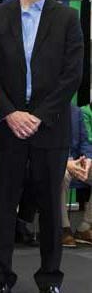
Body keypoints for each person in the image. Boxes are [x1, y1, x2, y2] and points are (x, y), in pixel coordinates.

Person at [0, 0, 84, 293]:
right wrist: (10, 112)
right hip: (6, 128)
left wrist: (37, 115)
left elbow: (73, 74)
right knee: (3, 207)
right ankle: (1, 279)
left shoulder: (68, 18)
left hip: (50, 129)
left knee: (52, 212)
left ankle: (50, 281)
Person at [60, 103, 92, 247]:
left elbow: (85, 141)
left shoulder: (75, 111)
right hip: (57, 161)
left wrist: (88, 159)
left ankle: (85, 227)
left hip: (78, 160)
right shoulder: (44, 109)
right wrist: (65, 161)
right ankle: (63, 228)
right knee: (62, 175)